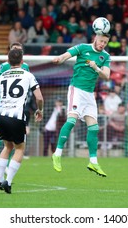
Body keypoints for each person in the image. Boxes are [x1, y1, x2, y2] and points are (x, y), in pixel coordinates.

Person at [51, 31, 111, 177]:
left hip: (89, 95)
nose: (102, 44)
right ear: (95, 38)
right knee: (71, 121)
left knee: (94, 128)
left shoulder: (106, 56)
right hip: (76, 90)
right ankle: (57, 154)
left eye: (105, 42)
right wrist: (60, 58)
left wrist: (96, 67)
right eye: (101, 41)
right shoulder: (83, 48)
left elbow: (107, 76)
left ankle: (93, 162)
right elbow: (67, 54)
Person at [0, 48, 44, 194]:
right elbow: (39, 97)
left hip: (1, 117)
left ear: (8, 61)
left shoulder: (1, 76)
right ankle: (8, 182)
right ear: (22, 61)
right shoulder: (28, 75)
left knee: (7, 146)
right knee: (19, 149)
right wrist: (39, 110)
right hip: (16, 117)